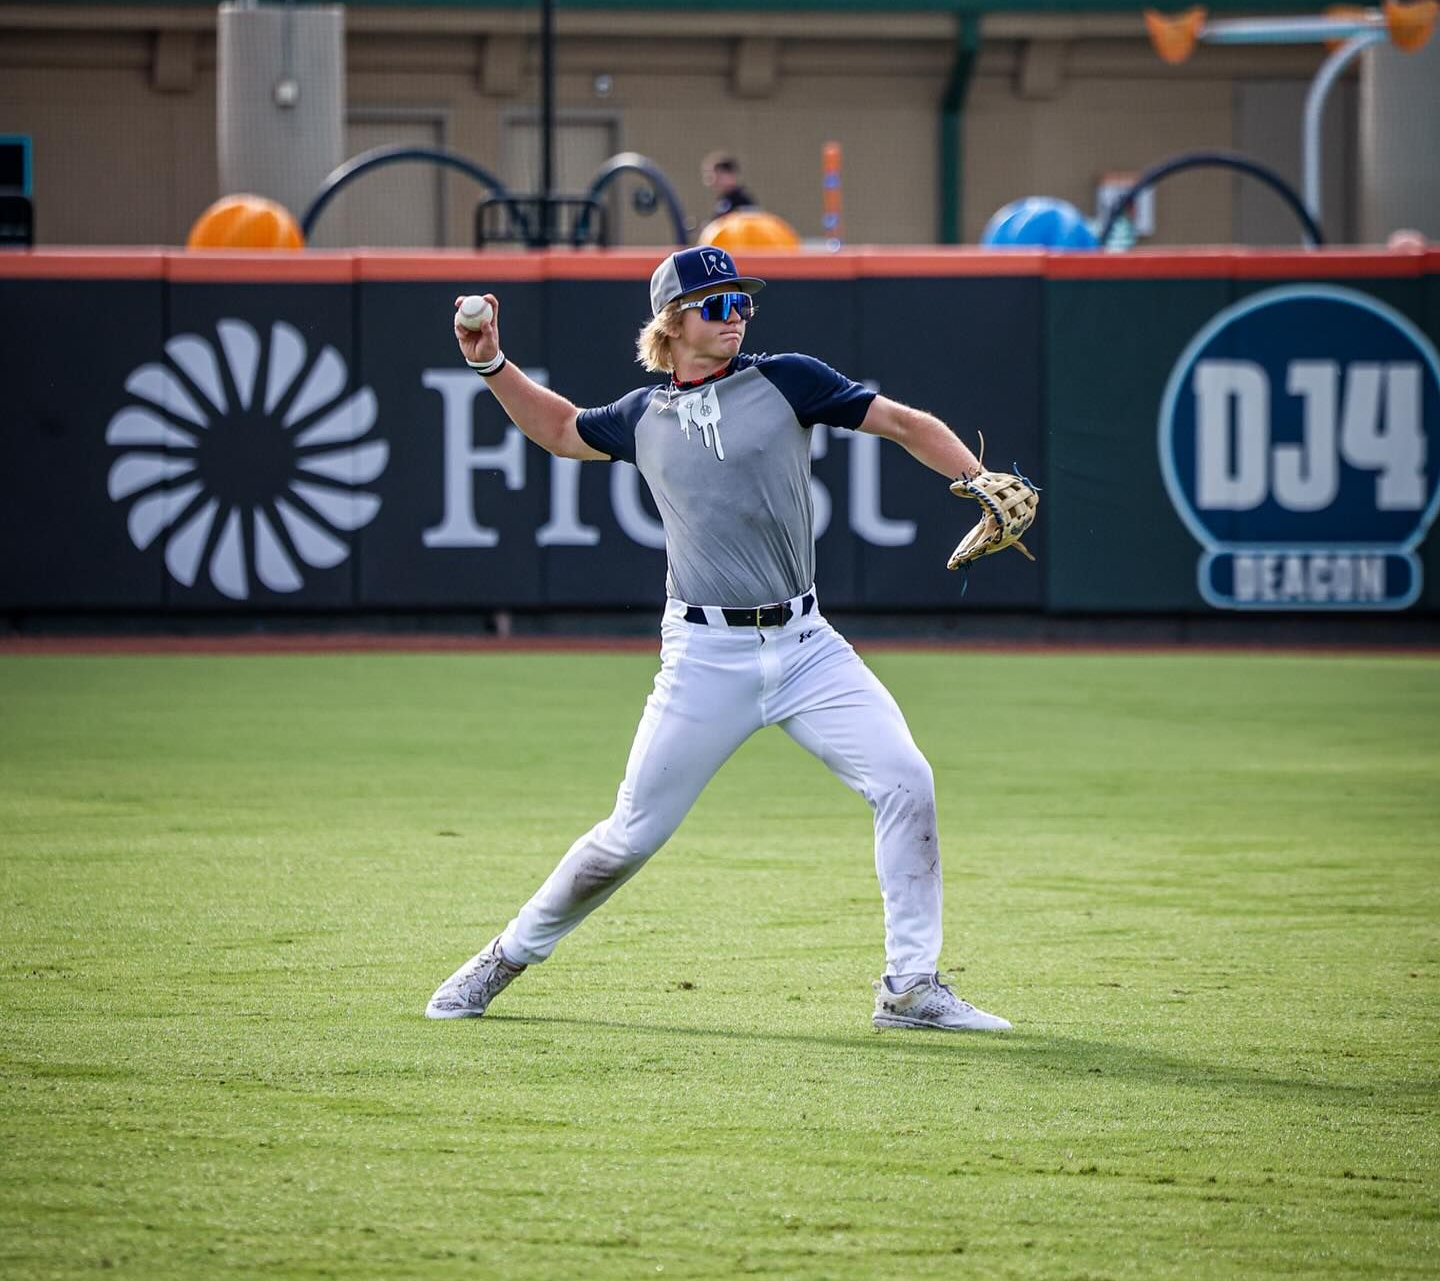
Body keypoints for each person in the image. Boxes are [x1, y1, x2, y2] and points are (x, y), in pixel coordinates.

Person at [428, 245, 1012, 1033]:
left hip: (807, 646)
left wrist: (977, 480)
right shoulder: (644, 414)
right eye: (718, 305)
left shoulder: (786, 379)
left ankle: (911, 987)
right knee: (628, 838)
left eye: (743, 303)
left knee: (907, 779)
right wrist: (493, 361)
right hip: (704, 657)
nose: (737, 317)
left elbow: (900, 422)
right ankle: (502, 957)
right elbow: (562, 431)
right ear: (672, 322)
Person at [701, 151, 758, 218]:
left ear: (729, 176)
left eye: (717, 175)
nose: (712, 181)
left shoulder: (741, 201)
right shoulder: (726, 200)